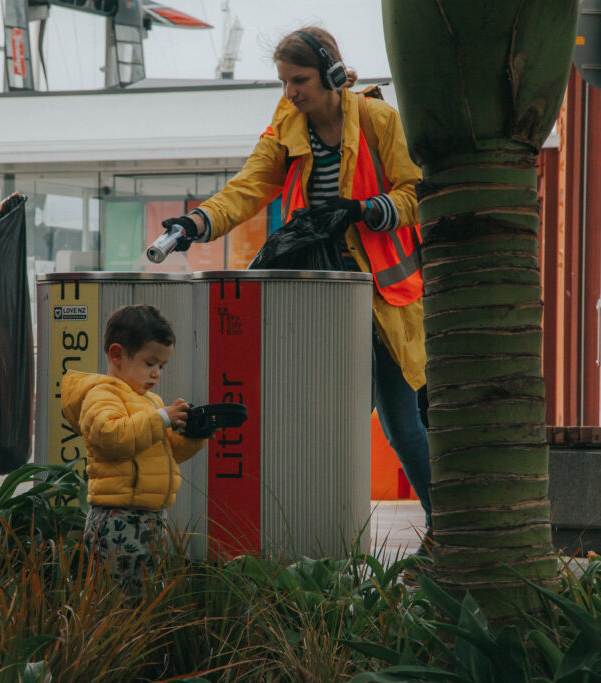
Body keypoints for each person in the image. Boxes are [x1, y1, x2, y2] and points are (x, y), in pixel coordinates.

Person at [159, 27, 433, 552]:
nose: (290, 92)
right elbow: (249, 187)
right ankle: (318, 538)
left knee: (402, 425)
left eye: (299, 79)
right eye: (284, 81)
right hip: (323, 297)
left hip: (384, 297)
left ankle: (448, 531)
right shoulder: (288, 124)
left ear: (331, 73)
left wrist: (362, 209)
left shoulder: (378, 120)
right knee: (326, 419)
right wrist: (196, 223)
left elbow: (416, 193)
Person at [61, 304, 208, 595]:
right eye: (149, 363)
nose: (156, 374)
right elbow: (111, 436)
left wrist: (195, 435)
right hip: (119, 516)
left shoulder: (149, 401)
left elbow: (166, 453)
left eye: (161, 366)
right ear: (117, 355)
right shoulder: (102, 394)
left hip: (149, 516)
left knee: (143, 593)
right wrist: (163, 417)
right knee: (118, 597)